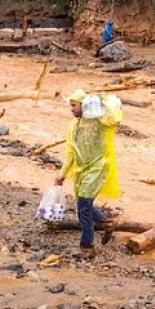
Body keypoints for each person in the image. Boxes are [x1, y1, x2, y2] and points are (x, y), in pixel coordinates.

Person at [55, 89, 122, 256]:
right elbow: (71, 151)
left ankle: (87, 246)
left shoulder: (98, 120)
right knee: (84, 204)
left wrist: (103, 101)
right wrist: (62, 173)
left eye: (74, 105)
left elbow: (115, 119)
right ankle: (107, 223)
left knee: (83, 206)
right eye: (71, 106)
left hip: (98, 167)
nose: (71, 109)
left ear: (84, 105)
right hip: (81, 169)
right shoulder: (74, 125)